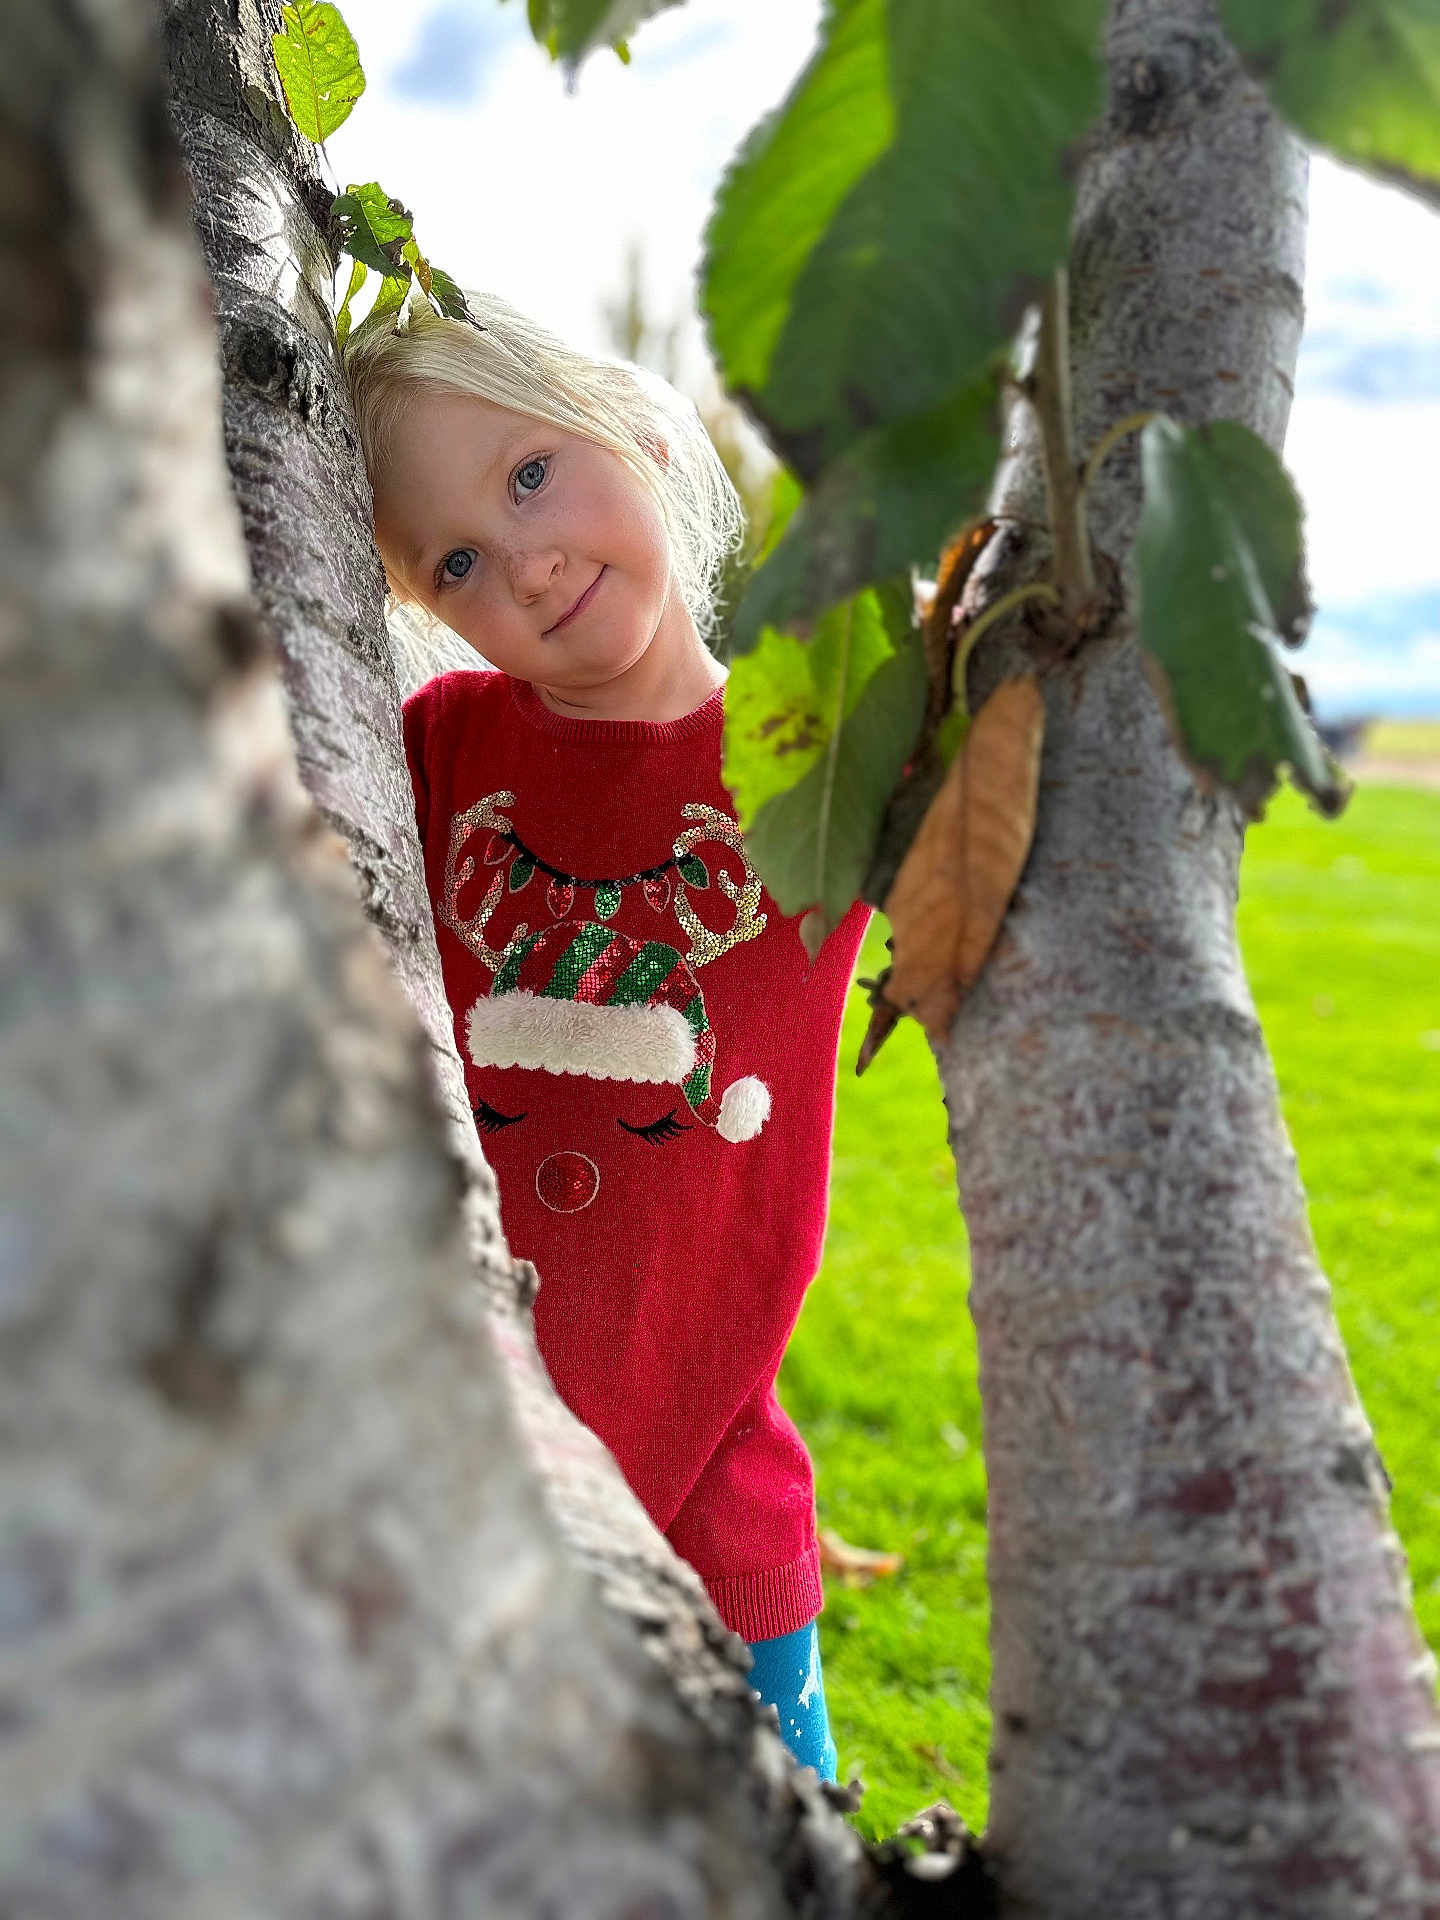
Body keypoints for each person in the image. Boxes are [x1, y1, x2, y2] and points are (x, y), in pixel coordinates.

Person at [343, 288, 866, 1779]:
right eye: (458, 561)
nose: (531, 560)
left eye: (529, 475)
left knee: (757, 1857)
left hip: (711, 1505)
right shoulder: (433, 756)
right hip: (458, 1484)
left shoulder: (816, 742)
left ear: (636, 423)